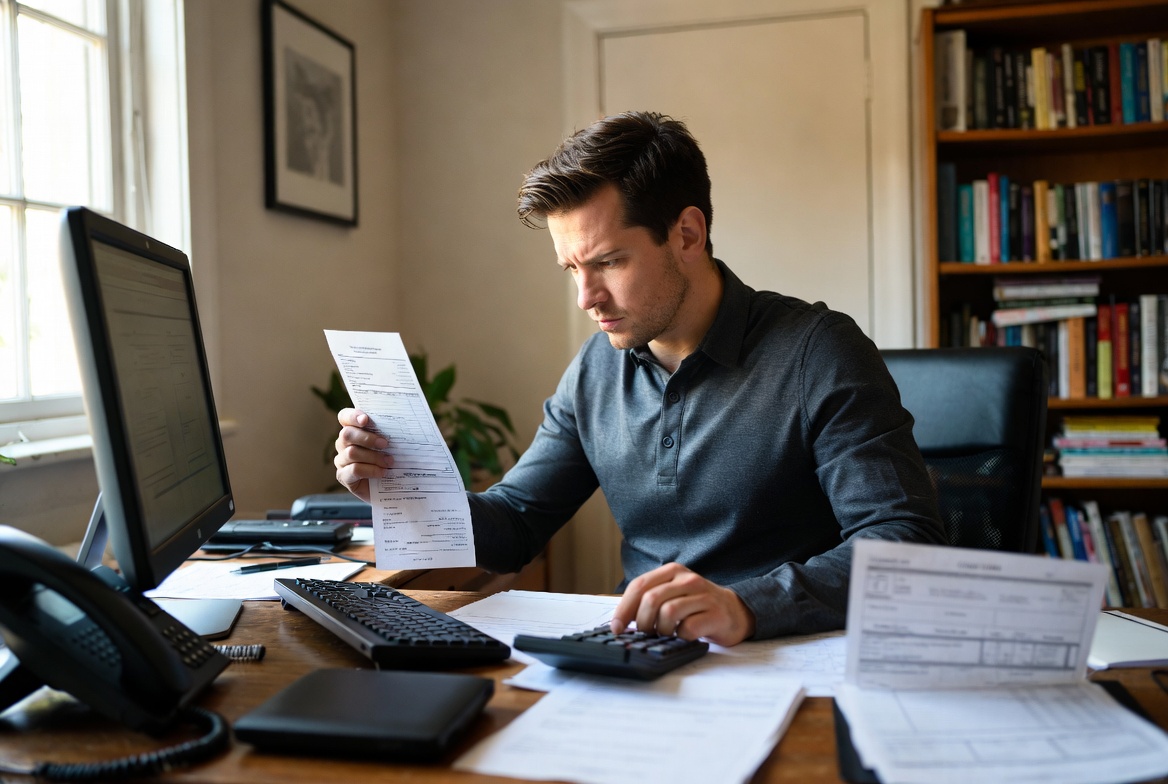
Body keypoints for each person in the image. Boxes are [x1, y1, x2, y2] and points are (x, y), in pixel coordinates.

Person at [334, 110, 946, 647]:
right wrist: (403, 486)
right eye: (572, 268)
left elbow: (905, 544)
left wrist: (744, 607)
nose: (585, 297)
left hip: (785, 655)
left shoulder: (819, 351)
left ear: (687, 233)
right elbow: (518, 524)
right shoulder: (596, 368)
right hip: (639, 656)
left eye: (608, 262)